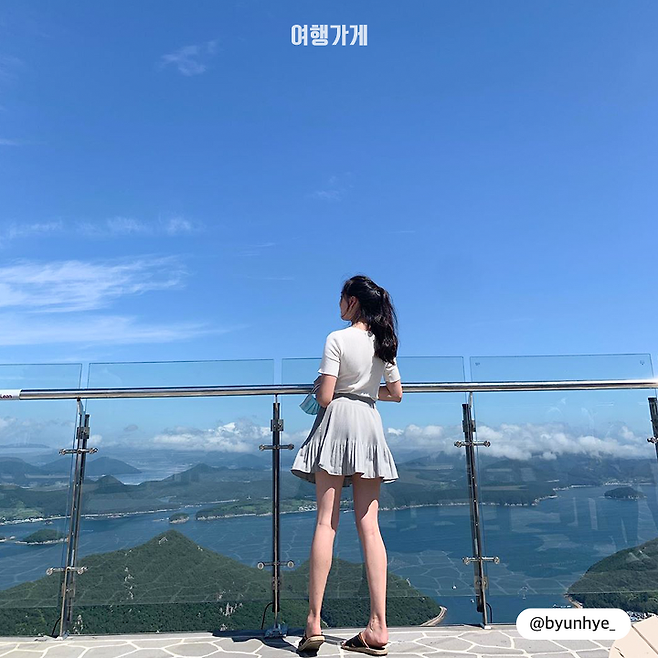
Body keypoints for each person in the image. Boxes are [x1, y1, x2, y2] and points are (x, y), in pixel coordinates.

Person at [291, 275, 403, 656]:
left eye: (341, 298)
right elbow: (397, 393)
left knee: (326, 522)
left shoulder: (336, 339)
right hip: (369, 422)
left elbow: (324, 396)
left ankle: (313, 623)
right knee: (370, 526)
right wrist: (366, 391)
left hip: (338, 422)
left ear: (352, 301)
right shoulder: (384, 342)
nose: (338, 304)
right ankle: (378, 626)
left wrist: (339, 388)